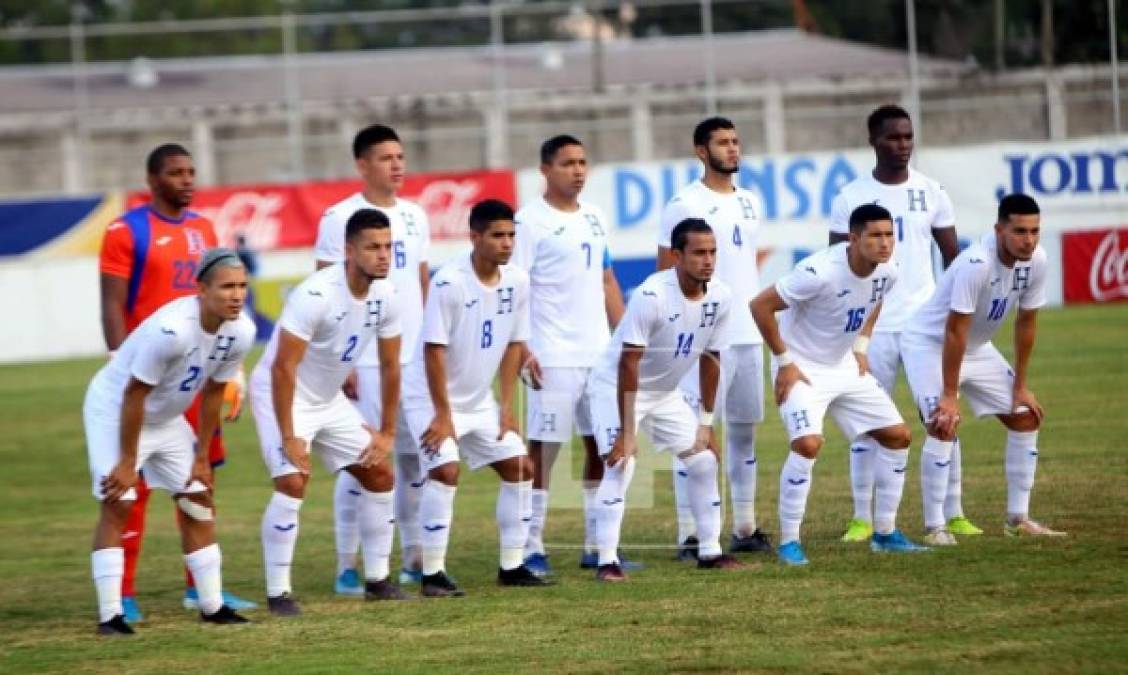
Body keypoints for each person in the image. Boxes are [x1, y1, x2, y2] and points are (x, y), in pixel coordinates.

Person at [98, 143, 254, 621]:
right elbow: (111, 302)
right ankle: (122, 593)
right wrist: (117, 358)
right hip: (148, 374)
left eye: (191, 172)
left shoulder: (205, 228)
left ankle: (200, 589)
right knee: (131, 486)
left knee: (200, 478)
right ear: (152, 179)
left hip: (197, 374)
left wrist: (234, 369)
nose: (187, 180)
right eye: (175, 173)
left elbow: (226, 297)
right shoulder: (126, 231)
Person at [750, 204, 928, 566]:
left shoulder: (888, 271)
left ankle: (885, 533)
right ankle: (788, 542)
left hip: (844, 366)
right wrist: (784, 363)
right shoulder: (818, 272)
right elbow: (759, 306)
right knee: (808, 443)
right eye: (875, 236)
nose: (884, 243)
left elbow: (875, 300)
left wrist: (862, 346)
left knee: (899, 436)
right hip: (800, 368)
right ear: (853, 238)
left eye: (889, 235)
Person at [252, 209, 408, 615]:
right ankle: (278, 593)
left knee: (380, 473)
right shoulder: (316, 294)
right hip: (282, 394)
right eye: (373, 247)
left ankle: (377, 580)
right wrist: (289, 435)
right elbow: (282, 367)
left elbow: (392, 365)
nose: (383, 255)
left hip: (328, 399)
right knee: (293, 481)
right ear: (349, 250)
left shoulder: (388, 294)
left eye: (388, 247)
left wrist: (387, 431)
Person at [828, 105, 970, 543]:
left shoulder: (932, 191)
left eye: (908, 136)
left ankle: (955, 511)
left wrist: (953, 313)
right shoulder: (850, 197)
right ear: (873, 141)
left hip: (925, 328)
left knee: (943, 417)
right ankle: (861, 518)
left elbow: (953, 259)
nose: (903, 145)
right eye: (893, 137)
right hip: (872, 332)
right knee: (870, 423)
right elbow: (838, 266)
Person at [403, 199, 548, 597]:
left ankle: (512, 566)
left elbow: (515, 343)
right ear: (475, 237)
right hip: (429, 400)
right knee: (446, 471)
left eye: (511, 236)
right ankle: (432, 575)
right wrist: (442, 415)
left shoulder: (518, 280)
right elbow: (433, 351)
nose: (507, 244)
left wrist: (505, 407)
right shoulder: (449, 282)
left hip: (478, 402)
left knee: (520, 468)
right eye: (498, 236)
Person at [902, 194, 1064, 543]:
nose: (1029, 239)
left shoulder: (1037, 259)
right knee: (943, 422)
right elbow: (954, 330)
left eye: (1035, 231)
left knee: (1026, 414)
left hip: (976, 348)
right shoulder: (976, 262)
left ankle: (1018, 519)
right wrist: (949, 394)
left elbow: (1026, 322)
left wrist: (1020, 385)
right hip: (930, 345)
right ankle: (935, 528)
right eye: (1020, 231)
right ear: (999, 229)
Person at [313, 124, 432, 593]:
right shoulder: (338, 217)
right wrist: (337, 364)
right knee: (363, 461)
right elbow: (324, 292)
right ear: (362, 165)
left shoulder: (417, 216)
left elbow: (422, 284)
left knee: (414, 461)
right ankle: (347, 564)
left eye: (401, 156)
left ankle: (413, 559)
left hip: (413, 360)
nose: (398, 165)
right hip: (361, 360)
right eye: (387, 158)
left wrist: (429, 350)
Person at [589, 218, 742, 582]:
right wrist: (627, 431)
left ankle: (709, 551)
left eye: (712, 252)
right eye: (699, 253)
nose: (708, 260)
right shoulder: (652, 295)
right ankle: (607, 561)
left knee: (704, 460)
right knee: (620, 464)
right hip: (618, 386)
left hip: (665, 393)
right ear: (677, 256)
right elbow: (629, 362)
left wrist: (706, 423)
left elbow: (711, 359)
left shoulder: (721, 295)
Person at [511, 134, 628, 576]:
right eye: (567, 163)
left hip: (597, 353)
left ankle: (597, 544)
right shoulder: (528, 223)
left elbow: (607, 281)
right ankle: (531, 544)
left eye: (582, 162)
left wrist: (626, 338)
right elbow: (515, 289)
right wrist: (523, 348)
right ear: (545, 170)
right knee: (544, 451)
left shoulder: (595, 217)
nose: (578, 170)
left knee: (602, 445)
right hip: (551, 354)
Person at [656, 117, 771, 559]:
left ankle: (744, 526)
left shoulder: (749, 201)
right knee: (691, 434)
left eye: (736, 141)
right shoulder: (684, 202)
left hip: (747, 332)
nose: (733, 149)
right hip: (703, 336)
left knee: (744, 432)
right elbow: (666, 269)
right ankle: (689, 534)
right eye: (723, 142)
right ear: (701, 151)